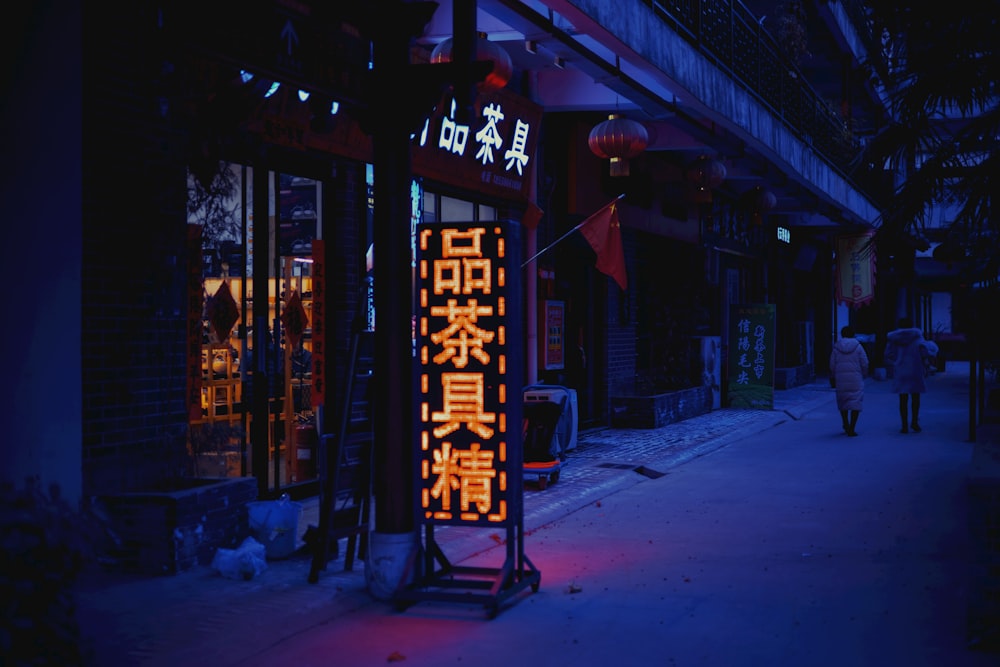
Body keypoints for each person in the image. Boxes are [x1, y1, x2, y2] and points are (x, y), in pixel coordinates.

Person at [884, 317, 937, 433]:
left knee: (903, 399)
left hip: (901, 371)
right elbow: (925, 352)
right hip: (915, 369)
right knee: (915, 397)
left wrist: (896, 362)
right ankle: (914, 422)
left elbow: (888, 354)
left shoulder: (893, 339)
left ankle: (904, 425)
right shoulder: (917, 337)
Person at [829, 325, 869, 436]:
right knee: (855, 402)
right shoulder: (858, 347)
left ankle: (845, 423)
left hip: (841, 379)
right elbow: (865, 363)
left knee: (843, 402)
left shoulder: (836, 347)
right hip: (856, 378)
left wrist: (834, 376)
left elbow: (832, 364)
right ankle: (852, 427)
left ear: (842, 334)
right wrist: (864, 374)